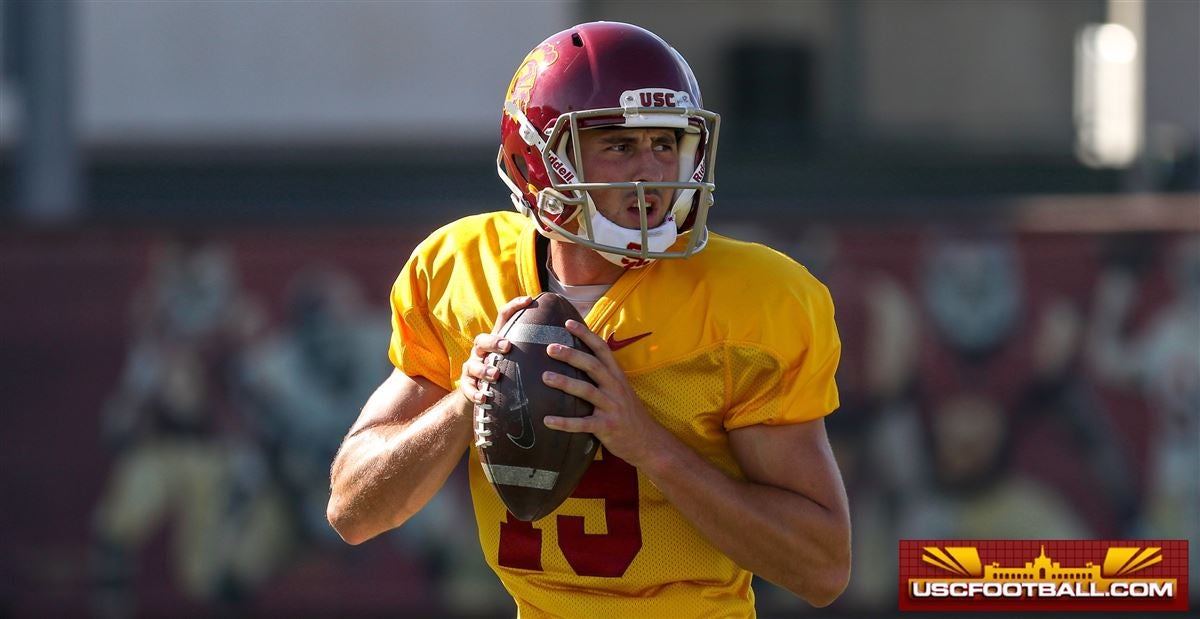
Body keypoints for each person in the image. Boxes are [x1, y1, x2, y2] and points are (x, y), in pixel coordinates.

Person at [327, 21, 850, 617]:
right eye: (620, 146)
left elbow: (822, 568)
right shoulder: (462, 275)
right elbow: (352, 512)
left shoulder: (752, 299)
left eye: (667, 144)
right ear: (541, 160)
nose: (653, 174)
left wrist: (650, 446)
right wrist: (463, 402)